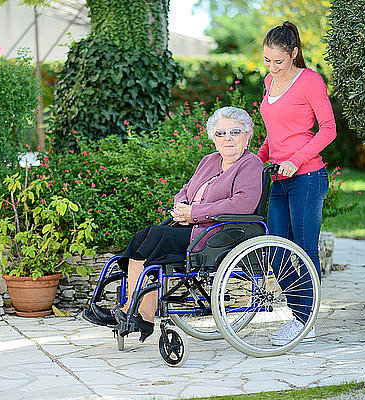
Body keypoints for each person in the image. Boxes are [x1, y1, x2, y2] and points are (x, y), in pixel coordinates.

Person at [83, 107, 264, 341]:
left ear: (247, 135)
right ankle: (141, 315)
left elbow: (242, 204)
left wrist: (195, 213)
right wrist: (181, 207)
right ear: (214, 138)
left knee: (155, 238)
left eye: (234, 132)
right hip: (191, 226)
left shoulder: (251, 164)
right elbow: (186, 191)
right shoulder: (209, 161)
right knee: (143, 237)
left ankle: (134, 312)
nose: (227, 139)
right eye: (221, 134)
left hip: (217, 233)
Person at [258, 21, 337, 345]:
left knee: (304, 250)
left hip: (307, 178)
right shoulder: (268, 81)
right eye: (267, 60)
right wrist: (256, 158)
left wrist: (296, 160)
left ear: (293, 53)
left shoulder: (310, 81)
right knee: (276, 250)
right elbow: (274, 134)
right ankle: (299, 315)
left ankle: (305, 322)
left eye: (279, 61)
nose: (272, 67)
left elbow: (328, 129)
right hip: (279, 178)